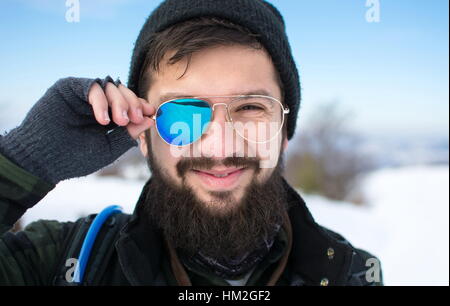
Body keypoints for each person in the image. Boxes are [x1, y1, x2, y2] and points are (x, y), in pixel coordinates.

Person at [0, 0, 382, 286]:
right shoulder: (65, 262)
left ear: (283, 133)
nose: (218, 147)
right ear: (143, 136)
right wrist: (22, 160)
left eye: (250, 107)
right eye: (182, 114)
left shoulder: (351, 274)